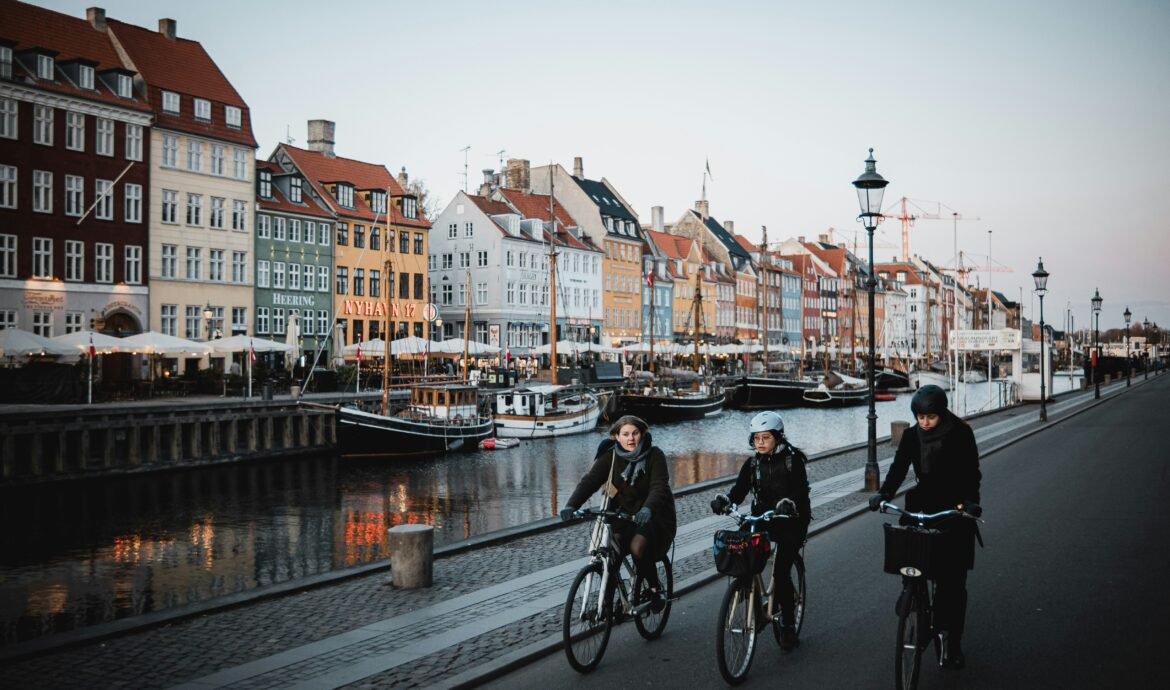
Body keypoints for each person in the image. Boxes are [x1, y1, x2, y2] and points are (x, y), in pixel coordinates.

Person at [868, 384, 982, 670]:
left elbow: (972, 473)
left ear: (941, 414)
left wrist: (969, 503)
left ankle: (952, 642)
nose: (925, 423)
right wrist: (884, 493)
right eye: (920, 418)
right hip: (924, 501)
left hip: (954, 506)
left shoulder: (960, 433)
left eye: (930, 417)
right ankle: (911, 590)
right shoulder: (911, 436)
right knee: (911, 550)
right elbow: (899, 467)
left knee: (952, 583)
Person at [710, 410, 811, 651]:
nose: (761, 443)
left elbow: (799, 491)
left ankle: (787, 626)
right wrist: (726, 501)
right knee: (741, 551)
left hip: (791, 518)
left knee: (782, 572)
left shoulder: (793, 460)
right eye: (756, 438)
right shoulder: (753, 462)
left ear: (778, 437)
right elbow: (739, 490)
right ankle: (749, 591)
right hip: (762, 516)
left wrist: (790, 504)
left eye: (766, 437)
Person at [560, 415, 677, 612]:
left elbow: (659, 487)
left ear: (642, 434)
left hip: (653, 514)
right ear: (616, 437)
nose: (631, 438)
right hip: (621, 514)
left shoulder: (655, 455)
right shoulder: (610, 456)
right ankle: (606, 602)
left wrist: (647, 509)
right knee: (611, 550)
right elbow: (590, 481)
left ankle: (655, 589)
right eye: (625, 434)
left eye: (635, 433)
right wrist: (571, 505)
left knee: (637, 546)